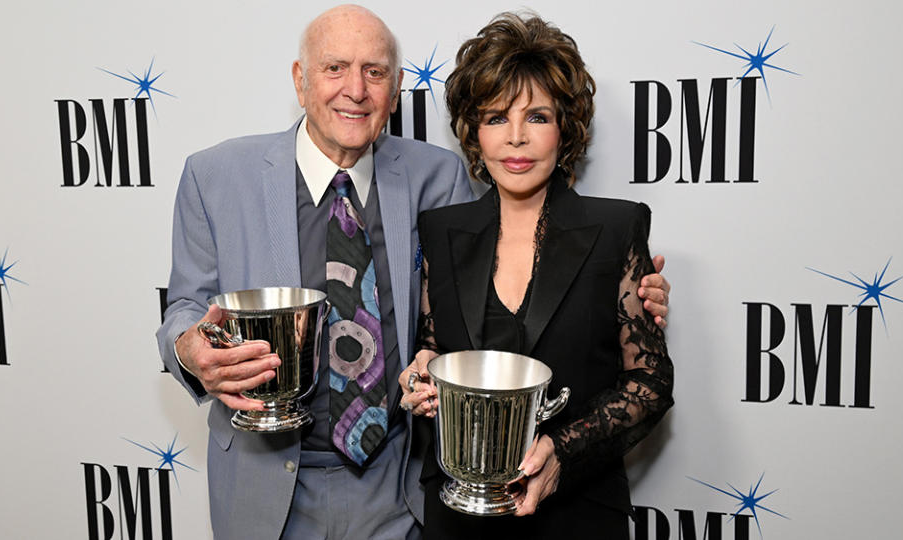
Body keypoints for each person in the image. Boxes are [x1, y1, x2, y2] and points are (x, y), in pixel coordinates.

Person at [156, 5, 670, 539]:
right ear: (300, 79)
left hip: (400, 491)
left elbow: (473, 313)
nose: (355, 90)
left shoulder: (436, 177)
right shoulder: (215, 176)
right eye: (335, 68)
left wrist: (630, 294)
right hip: (267, 482)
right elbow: (185, 309)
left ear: (396, 88)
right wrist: (192, 350)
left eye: (375, 72)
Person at [398, 13, 674, 539]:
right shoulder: (440, 230)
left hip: (577, 514)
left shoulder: (616, 228)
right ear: (474, 133)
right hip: (458, 516)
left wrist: (561, 453)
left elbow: (650, 383)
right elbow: (432, 347)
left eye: (539, 117)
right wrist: (419, 378)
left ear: (565, 128)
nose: (516, 139)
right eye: (497, 118)